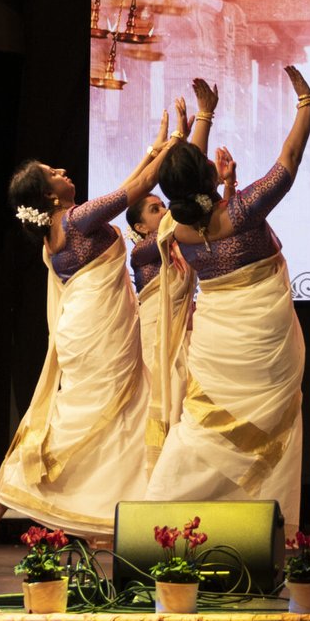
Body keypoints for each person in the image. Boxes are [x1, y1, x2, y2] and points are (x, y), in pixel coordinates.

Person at [0, 114, 178, 563]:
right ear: (48, 194)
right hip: (97, 333)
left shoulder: (60, 229)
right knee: (88, 420)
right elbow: (139, 186)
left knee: (112, 416)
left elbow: (133, 182)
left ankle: (113, 519)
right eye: (54, 174)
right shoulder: (80, 219)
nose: (64, 172)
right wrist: (178, 139)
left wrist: (155, 148)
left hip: (88, 331)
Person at [143, 67, 310, 532]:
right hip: (265, 341)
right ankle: (258, 532)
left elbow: (185, 178)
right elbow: (290, 159)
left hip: (218, 341)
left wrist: (205, 116)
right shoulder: (240, 212)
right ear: (210, 177)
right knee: (270, 426)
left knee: (201, 425)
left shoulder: (176, 229)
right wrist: (305, 103)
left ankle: (158, 517)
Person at [127, 84, 225, 476]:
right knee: (160, 405)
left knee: (187, 404)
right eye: (154, 208)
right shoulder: (142, 252)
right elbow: (186, 190)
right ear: (138, 225)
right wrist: (199, 123)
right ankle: (152, 483)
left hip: (186, 335)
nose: (163, 209)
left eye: (162, 204)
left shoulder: (177, 242)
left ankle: (179, 481)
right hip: (155, 342)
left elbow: (187, 197)